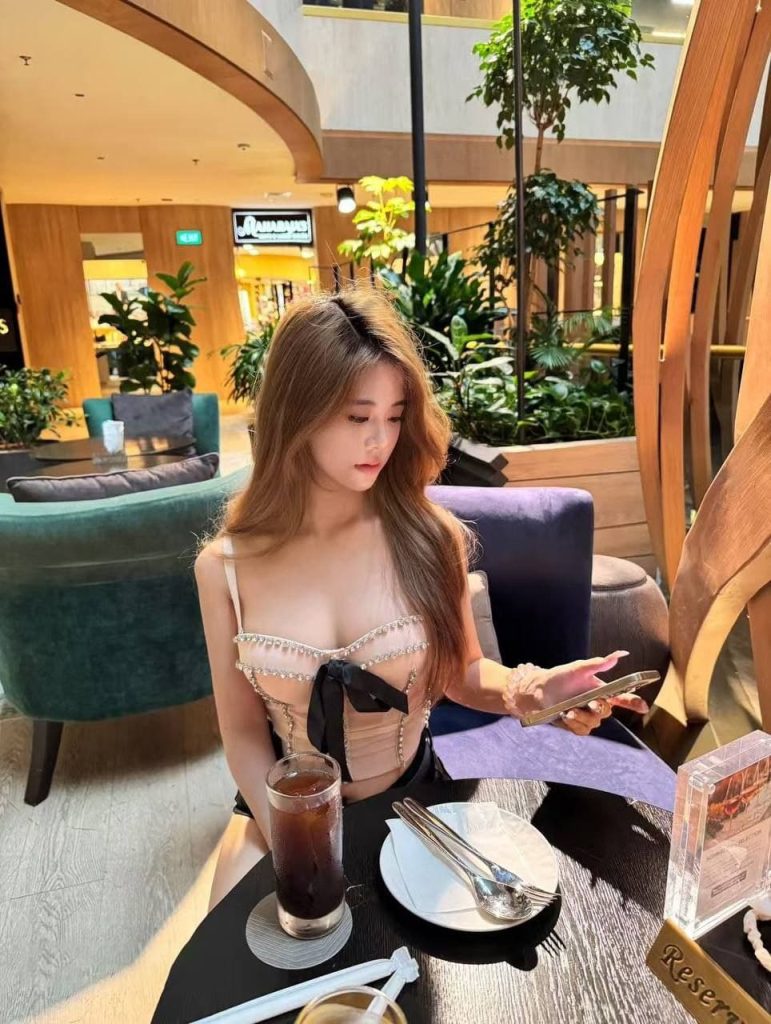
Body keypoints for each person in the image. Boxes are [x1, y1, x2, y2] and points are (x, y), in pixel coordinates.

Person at [195, 289, 647, 909]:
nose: (380, 440)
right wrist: (297, 845)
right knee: (236, 957)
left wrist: (533, 690)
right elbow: (244, 733)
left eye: (395, 415)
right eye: (358, 418)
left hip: (416, 804)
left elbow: (462, 675)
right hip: (288, 812)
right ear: (296, 413)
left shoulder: (429, 537)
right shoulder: (224, 569)